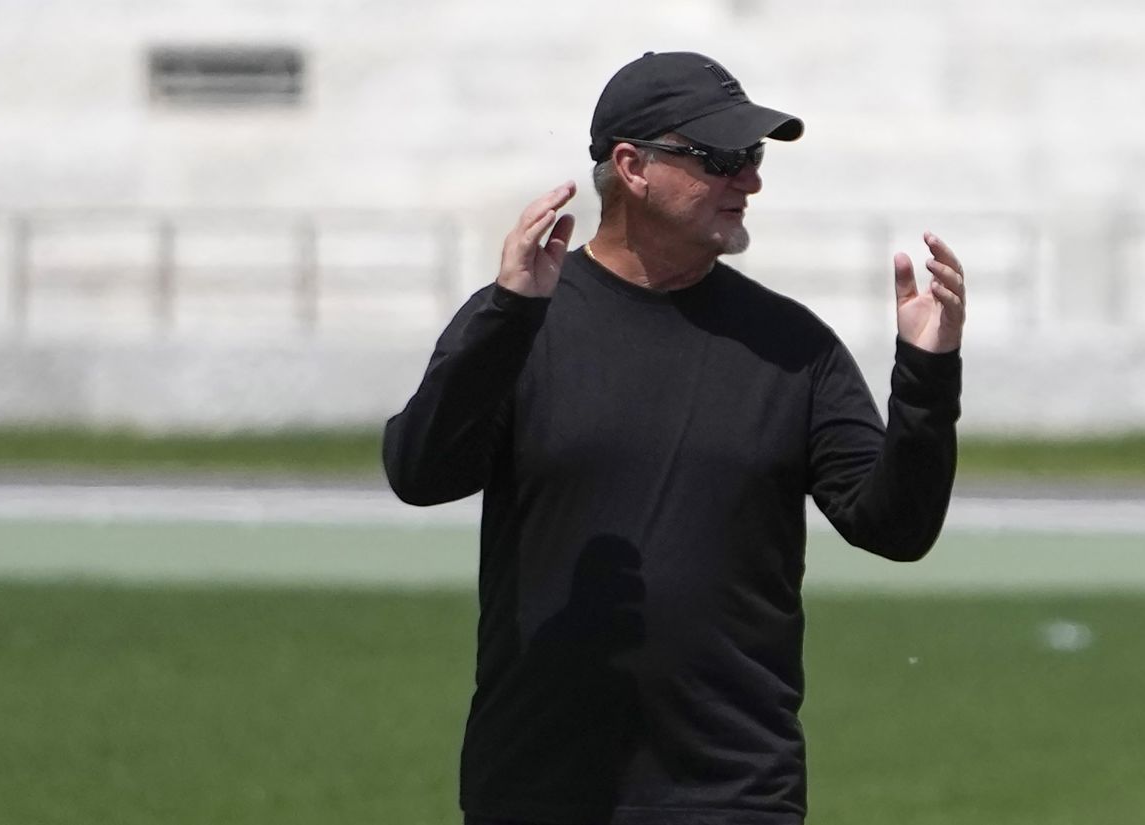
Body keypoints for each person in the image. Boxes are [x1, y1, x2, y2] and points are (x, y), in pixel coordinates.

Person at [384, 50, 965, 825]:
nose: (749, 181)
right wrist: (506, 316)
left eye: (753, 158)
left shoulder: (795, 347)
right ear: (632, 167)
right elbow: (420, 473)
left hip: (734, 790)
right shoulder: (522, 321)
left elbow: (896, 527)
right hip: (538, 785)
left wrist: (927, 374)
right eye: (722, 159)